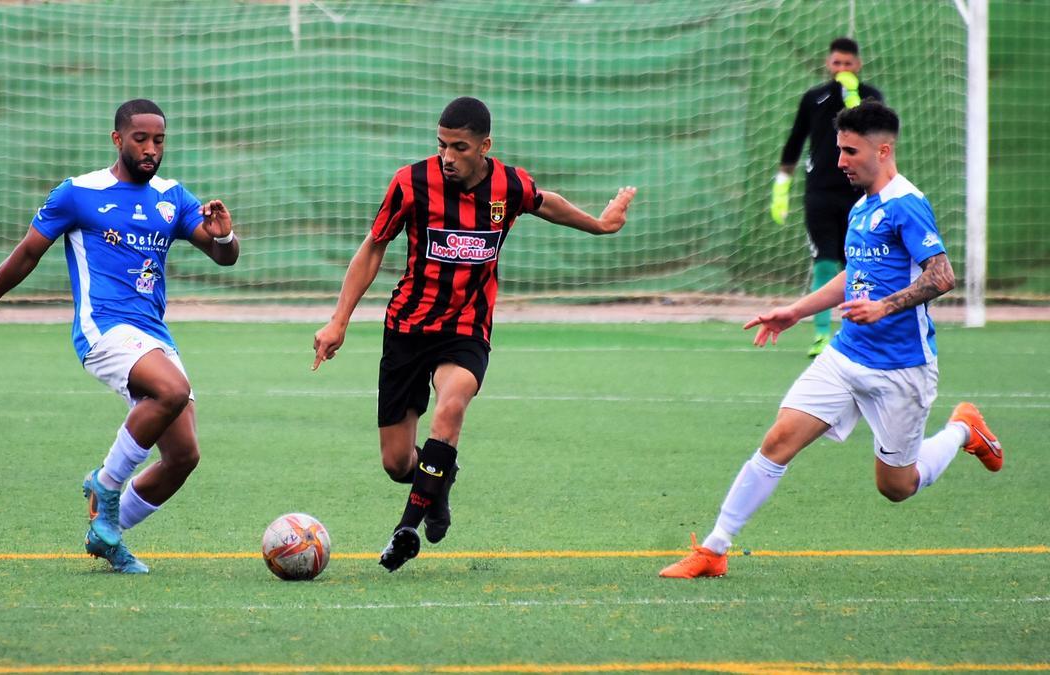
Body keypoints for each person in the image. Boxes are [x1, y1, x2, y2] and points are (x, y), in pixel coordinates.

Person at [660, 101, 1003, 579]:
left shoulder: (905, 204)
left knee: (897, 487)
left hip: (901, 368)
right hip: (845, 356)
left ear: (882, 151)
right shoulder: (861, 208)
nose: (839, 161)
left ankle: (964, 429)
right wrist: (795, 311)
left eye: (849, 151)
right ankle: (714, 549)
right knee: (778, 440)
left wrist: (885, 306)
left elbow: (942, 275)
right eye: (838, 150)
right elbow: (853, 276)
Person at [312, 96, 637, 572]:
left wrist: (601, 225)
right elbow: (373, 247)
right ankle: (438, 480)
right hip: (407, 326)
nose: (447, 156)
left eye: (459, 147)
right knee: (397, 463)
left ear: (485, 146)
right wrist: (339, 320)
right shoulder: (410, 182)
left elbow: (548, 204)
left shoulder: (509, 185)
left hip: (466, 328)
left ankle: (405, 530)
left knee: (452, 404)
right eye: (441, 145)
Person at [0, 99, 240, 574]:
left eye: (159, 140)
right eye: (141, 139)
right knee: (172, 390)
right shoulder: (79, 193)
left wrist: (226, 237)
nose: (151, 149)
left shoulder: (173, 197)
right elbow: (27, 254)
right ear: (118, 139)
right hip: (102, 327)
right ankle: (105, 485)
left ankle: (106, 534)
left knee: (183, 456)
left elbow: (222, 256)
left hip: (152, 334)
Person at [772, 37, 884, 358]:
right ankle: (821, 335)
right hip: (819, 192)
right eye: (837, 63)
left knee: (859, 262)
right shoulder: (814, 98)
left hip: (859, 193)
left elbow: (875, 133)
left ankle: (858, 333)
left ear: (858, 65)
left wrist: (852, 98)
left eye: (848, 64)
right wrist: (781, 185)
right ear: (828, 64)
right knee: (824, 258)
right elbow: (795, 141)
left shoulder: (871, 97)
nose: (842, 69)